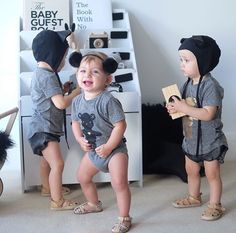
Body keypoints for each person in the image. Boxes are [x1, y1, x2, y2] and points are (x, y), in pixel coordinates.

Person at [166, 35, 228, 221]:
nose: (182, 64)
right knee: (191, 171)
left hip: (210, 141)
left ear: (203, 61)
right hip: (191, 138)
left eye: (187, 60)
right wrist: (175, 108)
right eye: (181, 60)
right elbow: (186, 108)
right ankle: (194, 196)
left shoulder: (211, 86)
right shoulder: (187, 84)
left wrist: (184, 107)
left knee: (212, 174)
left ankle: (215, 204)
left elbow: (208, 113)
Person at [69, 51, 132, 233]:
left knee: (119, 183)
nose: (87, 75)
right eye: (82, 71)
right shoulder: (77, 101)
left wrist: (110, 147)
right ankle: (93, 203)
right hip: (93, 151)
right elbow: (75, 122)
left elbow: (120, 125)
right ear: (77, 74)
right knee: (82, 177)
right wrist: (80, 139)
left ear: (108, 78)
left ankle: (124, 217)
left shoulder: (108, 101)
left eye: (95, 72)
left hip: (114, 151)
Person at [28, 29, 80, 210]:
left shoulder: (41, 73)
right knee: (57, 164)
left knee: (47, 162)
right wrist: (76, 91)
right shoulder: (48, 76)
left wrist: (64, 89)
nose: (64, 61)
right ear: (54, 55)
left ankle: (47, 188)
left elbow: (52, 97)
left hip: (40, 127)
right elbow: (60, 104)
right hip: (45, 129)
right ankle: (57, 201)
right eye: (63, 57)